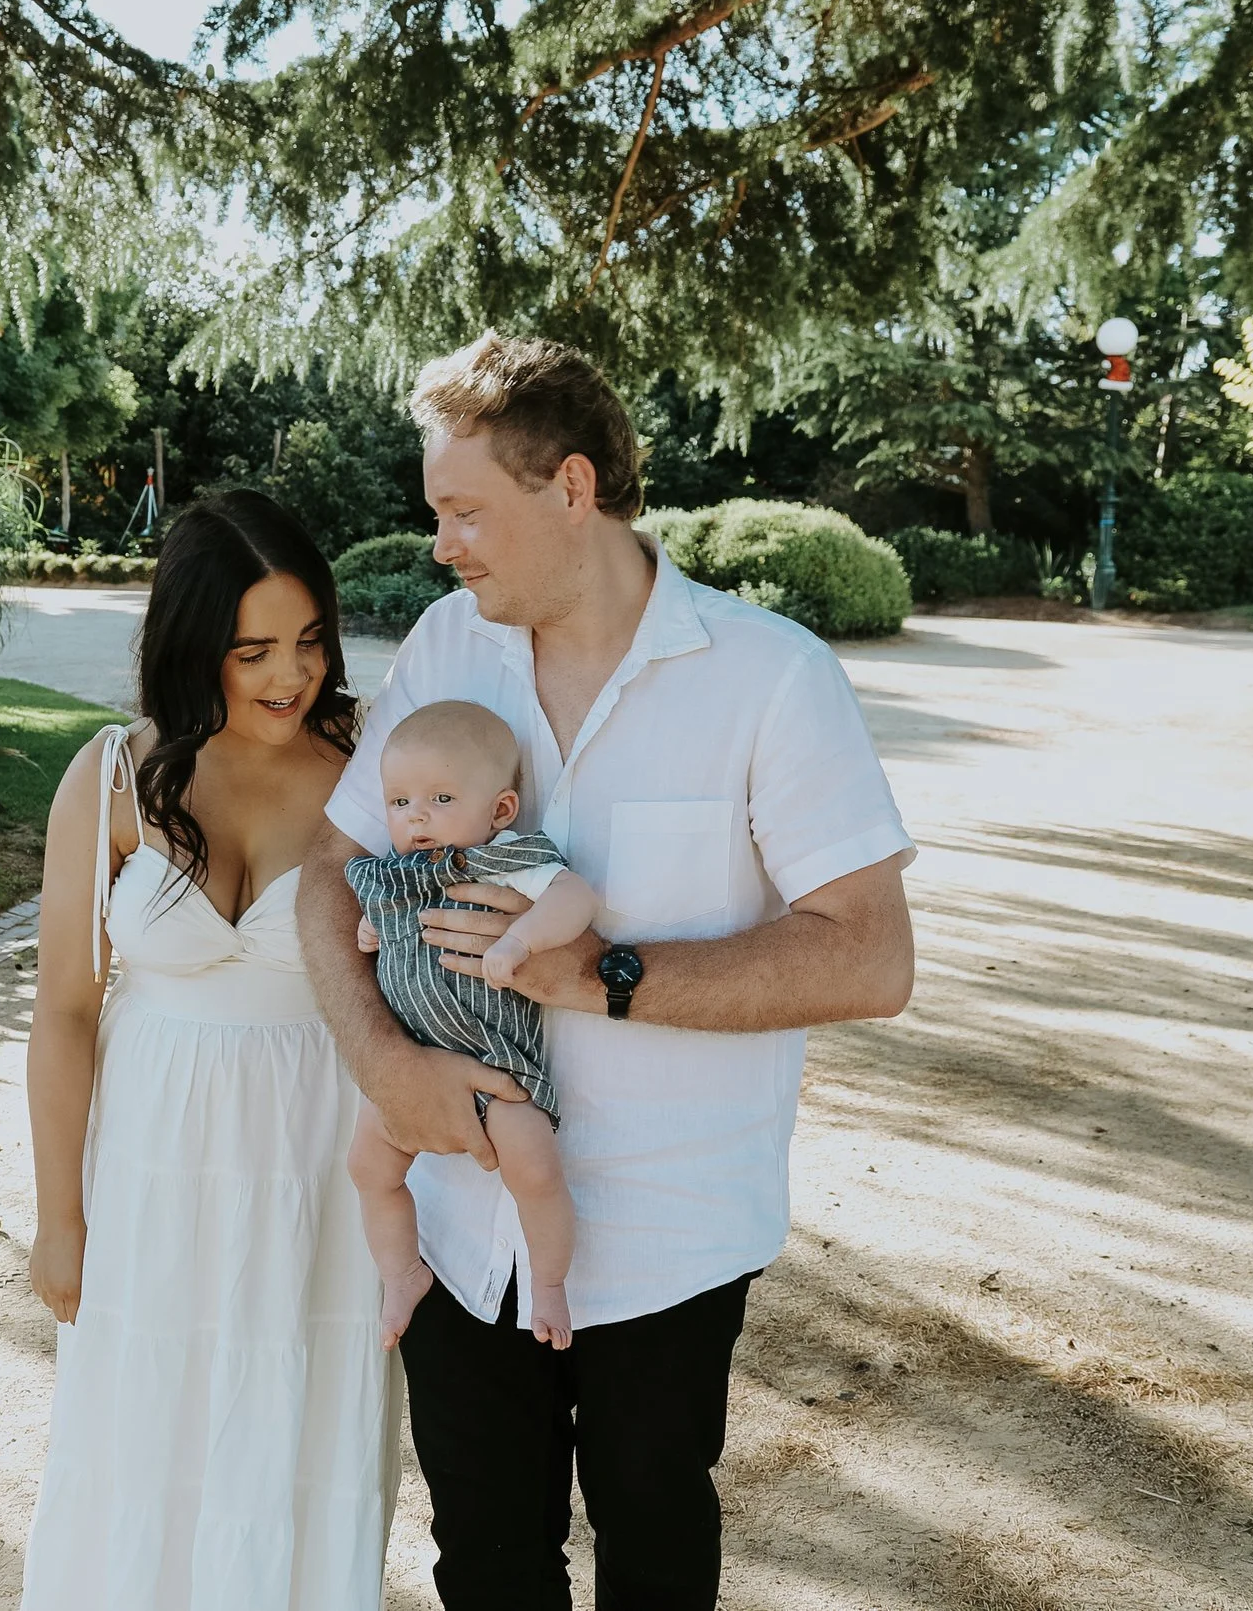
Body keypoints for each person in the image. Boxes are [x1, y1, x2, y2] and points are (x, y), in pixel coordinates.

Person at [298, 332, 918, 1610]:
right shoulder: (445, 646)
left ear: (571, 486)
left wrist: (600, 974)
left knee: (655, 1569)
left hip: (668, 1234)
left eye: (465, 510)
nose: (441, 545)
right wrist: (382, 1064)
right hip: (460, 1219)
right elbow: (328, 870)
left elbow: (870, 954)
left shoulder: (771, 675)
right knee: (486, 1571)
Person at [18, 490, 392, 1610]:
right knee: (141, 1444)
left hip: (318, 1171)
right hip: (150, 1173)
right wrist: (58, 1217)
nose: (293, 675)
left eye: (310, 640)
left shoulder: (373, 764)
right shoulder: (110, 777)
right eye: (253, 650)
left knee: (298, 1440)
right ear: (194, 646)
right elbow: (66, 1009)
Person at [343, 699, 602, 1351]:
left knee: (535, 1172)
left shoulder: (504, 858)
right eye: (400, 801)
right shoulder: (390, 873)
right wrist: (372, 929)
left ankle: (549, 1284)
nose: (416, 816)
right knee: (368, 1168)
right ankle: (402, 1272)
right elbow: (378, 922)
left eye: (440, 798)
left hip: (499, 1065)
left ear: (501, 810)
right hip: (410, 1064)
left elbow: (574, 895)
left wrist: (521, 938)